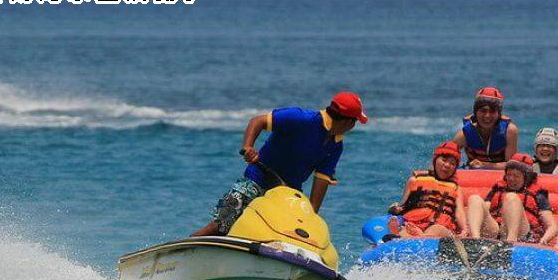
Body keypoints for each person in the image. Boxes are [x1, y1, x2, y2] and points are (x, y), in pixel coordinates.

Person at [192, 92, 367, 236]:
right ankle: (184, 251)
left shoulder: (336, 145)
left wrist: (310, 214)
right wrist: (248, 148)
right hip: (256, 180)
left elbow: (321, 179)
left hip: (288, 193)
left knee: (287, 235)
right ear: (347, 122)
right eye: (356, 121)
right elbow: (258, 121)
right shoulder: (301, 118)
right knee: (221, 226)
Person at [465, 153, 557, 243]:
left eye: (516, 176)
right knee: (474, 199)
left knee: (511, 197)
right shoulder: (498, 188)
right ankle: (475, 240)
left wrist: (543, 241)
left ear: (527, 177)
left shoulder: (538, 194)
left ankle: (510, 243)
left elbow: (552, 226)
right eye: (509, 175)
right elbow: (483, 209)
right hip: (497, 231)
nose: (511, 179)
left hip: (522, 234)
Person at [387, 141, 468, 238]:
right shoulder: (414, 180)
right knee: (406, 229)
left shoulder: (456, 188)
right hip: (415, 222)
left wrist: (464, 229)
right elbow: (403, 206)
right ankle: (402, 234)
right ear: (435, 160)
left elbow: (459, 212)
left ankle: (419, 237)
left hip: (441, 226)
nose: (447, 165)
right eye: (444, 160)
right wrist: (396, 210)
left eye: (452, 163)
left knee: (436, 229)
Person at [452, 87, 519, 169]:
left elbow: (511, 166)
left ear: (499, 114)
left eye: (492, 111)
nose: (487, 116)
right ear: (475, 112)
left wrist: (484, 165)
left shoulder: (509, 131)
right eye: (483, 111)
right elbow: (446, 157)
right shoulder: (464, 135)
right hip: (473, 174)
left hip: (501, 176)